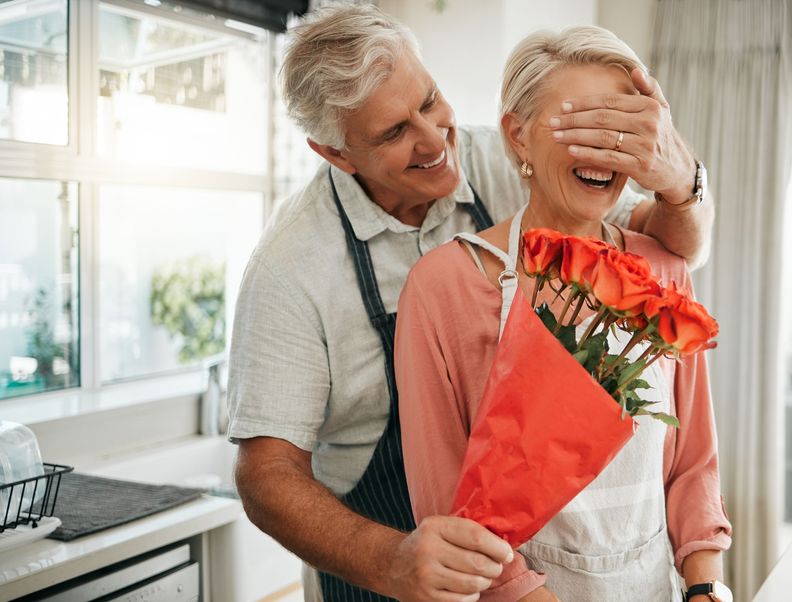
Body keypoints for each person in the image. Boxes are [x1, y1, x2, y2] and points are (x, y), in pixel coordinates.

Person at [226, 4, 714, 602]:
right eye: (393, 133)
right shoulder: (290, 269)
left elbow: (670, 246)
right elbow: (265, 475)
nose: (434, 141)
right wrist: (392, 562)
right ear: (337, 155)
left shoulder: (505, 157)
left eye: (429, 102)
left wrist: (681, 175)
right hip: (379, 558)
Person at [395, 26, 732, 602]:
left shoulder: (665, 271)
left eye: (620, 131)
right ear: (518, 136)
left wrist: (705, 591)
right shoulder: (443, 288)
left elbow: (693, 467)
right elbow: (451, 510)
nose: (603, 152)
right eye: (582, 126)